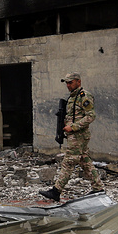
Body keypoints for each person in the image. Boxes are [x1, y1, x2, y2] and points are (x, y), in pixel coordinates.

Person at [39, 72, 104, 202]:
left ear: (78, 82)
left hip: (79, 135)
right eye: (67, 83)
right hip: (74, 136)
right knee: (85, 161)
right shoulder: (72, 97)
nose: (68, 85)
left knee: (68, 162)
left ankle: (56, 191)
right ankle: (98, 188)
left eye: (71, 82)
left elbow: (91, 116)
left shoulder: (84, 96)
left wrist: (73, 127)